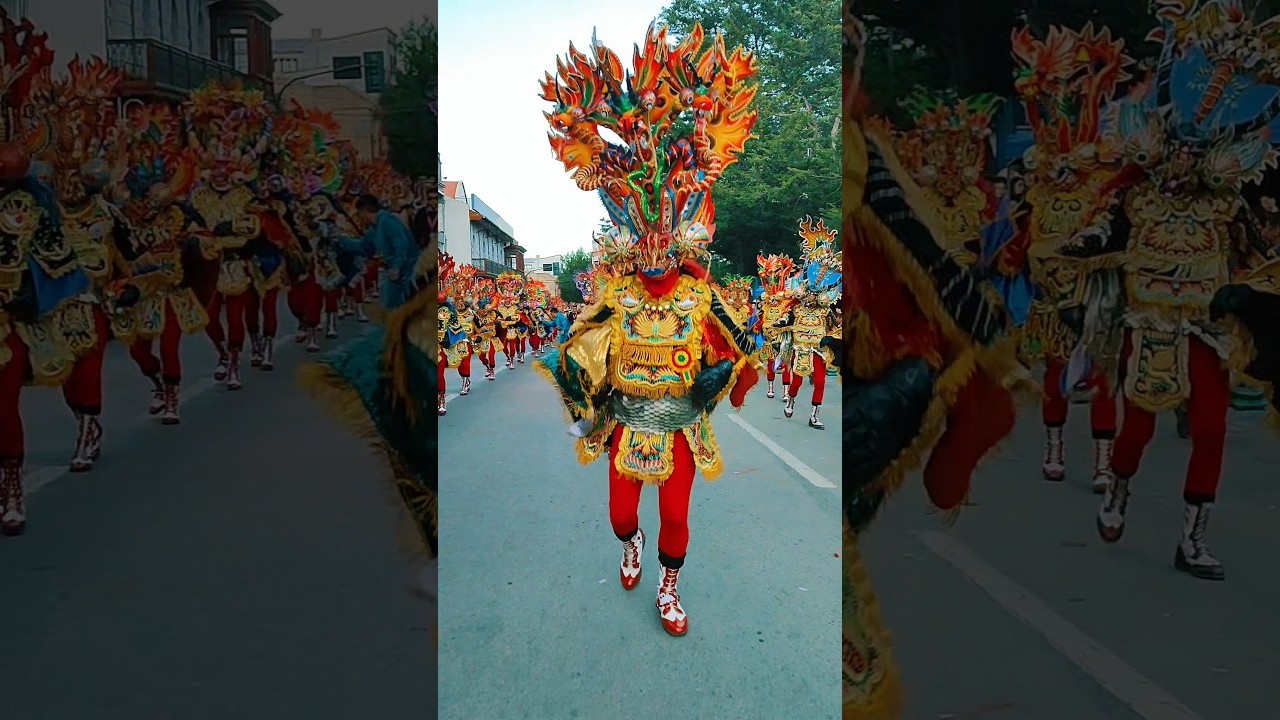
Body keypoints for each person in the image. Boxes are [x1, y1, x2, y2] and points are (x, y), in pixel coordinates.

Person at [535, 21, 761, 638]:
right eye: (644, 236)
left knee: (678, 517)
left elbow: (738, 348)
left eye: (668, 235)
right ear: (629, 237)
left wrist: (732, 377)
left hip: (681, 422)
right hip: (627, 421)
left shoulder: (698, 293)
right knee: (618, 515)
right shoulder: (617, 295)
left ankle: (669, 585)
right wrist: (582, 394)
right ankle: (629, 546)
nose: (657, 248)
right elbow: (577, 354)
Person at [355, 193, 421, 309]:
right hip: (392, 270)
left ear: (365, 211)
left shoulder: (388, 222)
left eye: (359, 213)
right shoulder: (373, 228)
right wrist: (340, 240)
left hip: (408, 269)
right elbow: (364, 246)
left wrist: (396, 266)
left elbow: (401, 245)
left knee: (404, 306)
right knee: (392, 305)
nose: (358, 217)